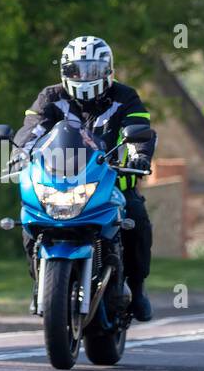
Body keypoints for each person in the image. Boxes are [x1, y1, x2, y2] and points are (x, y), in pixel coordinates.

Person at [12, 35, 156, 321]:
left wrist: (139, 154)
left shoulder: (125, 97)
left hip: (112, 184)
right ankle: (40, 281)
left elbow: (138, 130)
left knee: (137, 221)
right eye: (76, 69)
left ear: (108, 70)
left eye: (92, 69)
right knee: (30, 219)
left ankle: (137, 289)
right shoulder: (51, 97)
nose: (84, 76)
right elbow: (32, 129)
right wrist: (19, 152)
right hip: (59, 183)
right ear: (65, 71)